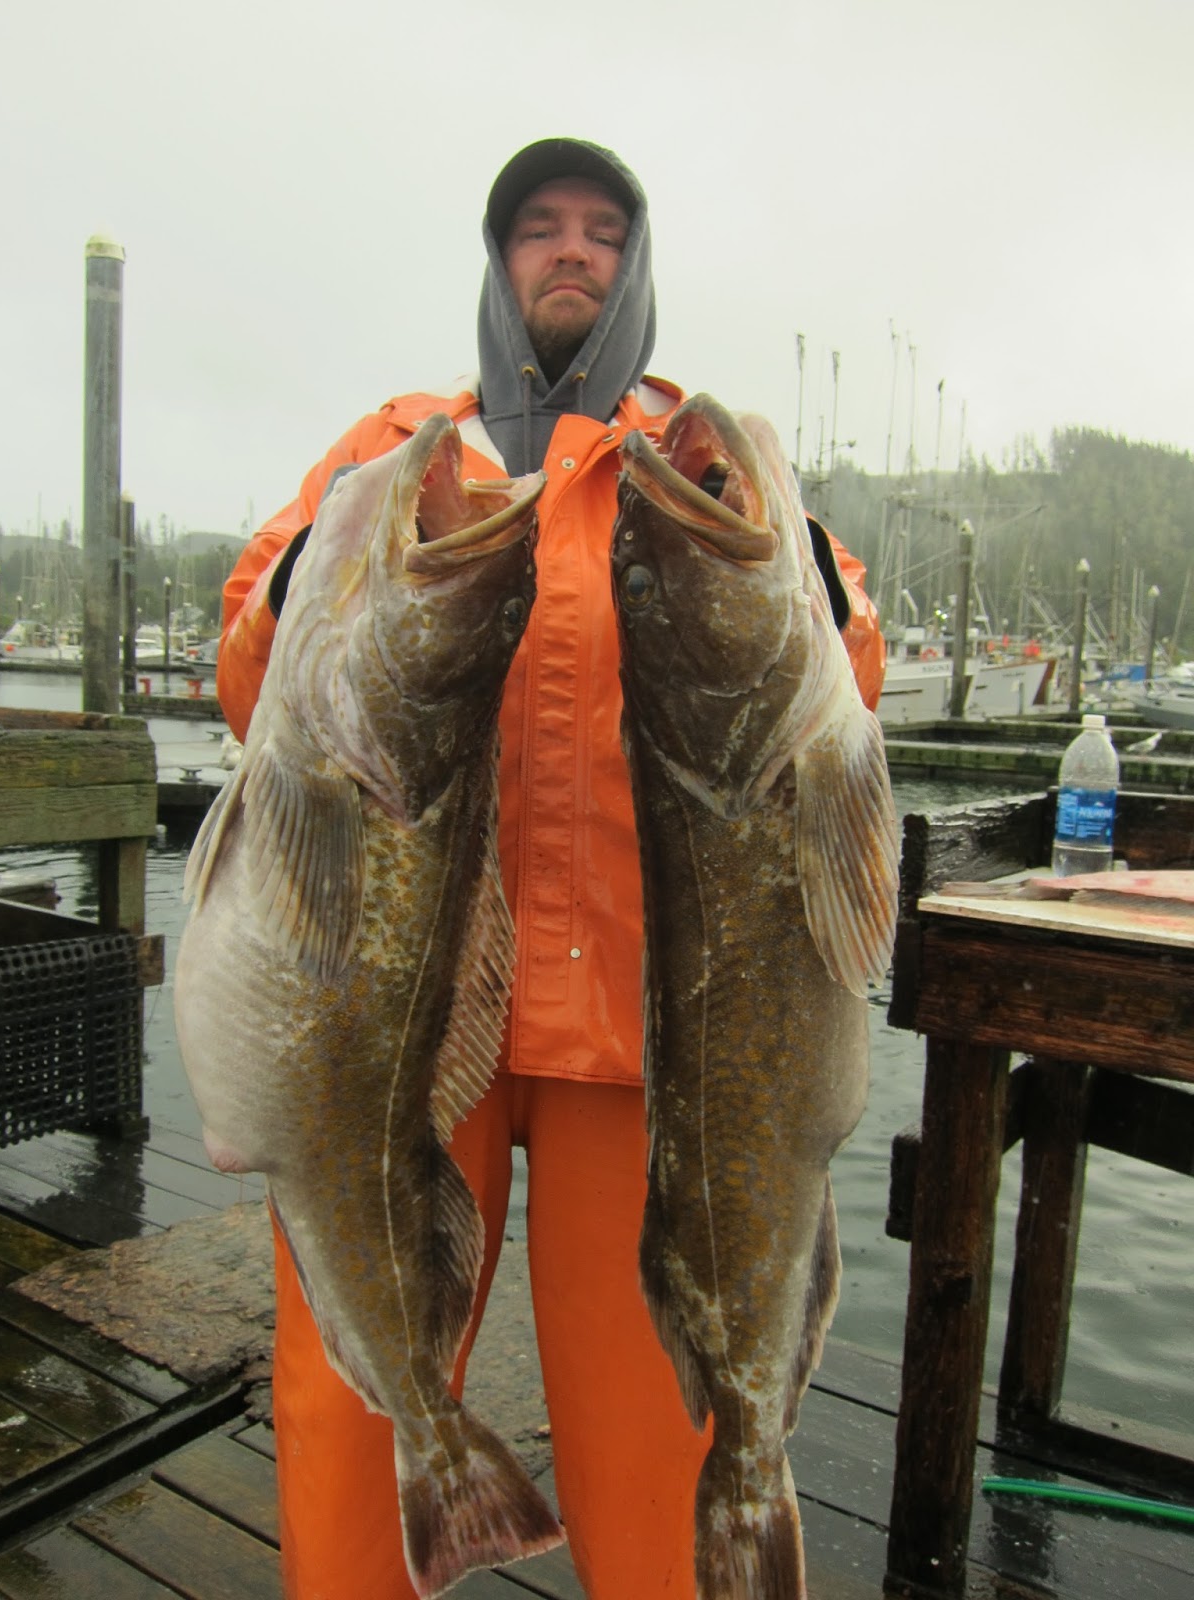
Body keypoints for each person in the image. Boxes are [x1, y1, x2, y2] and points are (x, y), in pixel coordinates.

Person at [216, 136, 885, 1600]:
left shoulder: (697, 465)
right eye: (538, 228)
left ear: (634, 268)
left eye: (600, 231)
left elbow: (848, 679)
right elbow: (249, 662)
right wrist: (304, 584)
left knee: (656, 1414)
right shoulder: (398, 450)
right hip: (393, 1023)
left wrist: (820, 592)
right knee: (347, 1393)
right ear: (498, 259)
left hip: (633, 1030)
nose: (569, 252)